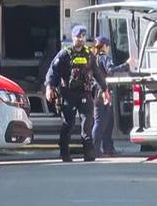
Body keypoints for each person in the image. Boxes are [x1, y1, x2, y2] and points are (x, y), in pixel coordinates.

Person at [45, 25, 110, 162]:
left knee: (87, 124)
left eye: (83, 37)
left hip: (85, 94)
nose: (80, 39)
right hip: (68, 94)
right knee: (68, 124)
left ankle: (89, 153)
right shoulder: (64, 54)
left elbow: (97, 73)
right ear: (73, 38)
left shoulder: (89, 55)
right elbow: (53, 71)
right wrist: (49, 87)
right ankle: (64, 153)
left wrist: (104, 90)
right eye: (78, 37)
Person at [91, 36, 129, 157]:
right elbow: (111, 70)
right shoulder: (104, 58)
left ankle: (108, 148)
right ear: (105, 46)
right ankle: (95, 150)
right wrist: (126, 65)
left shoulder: (93, 58)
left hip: (96, 93)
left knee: (108, 122)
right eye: (107, 46)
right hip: (102, 94)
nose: (108, 48)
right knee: (100, 123)